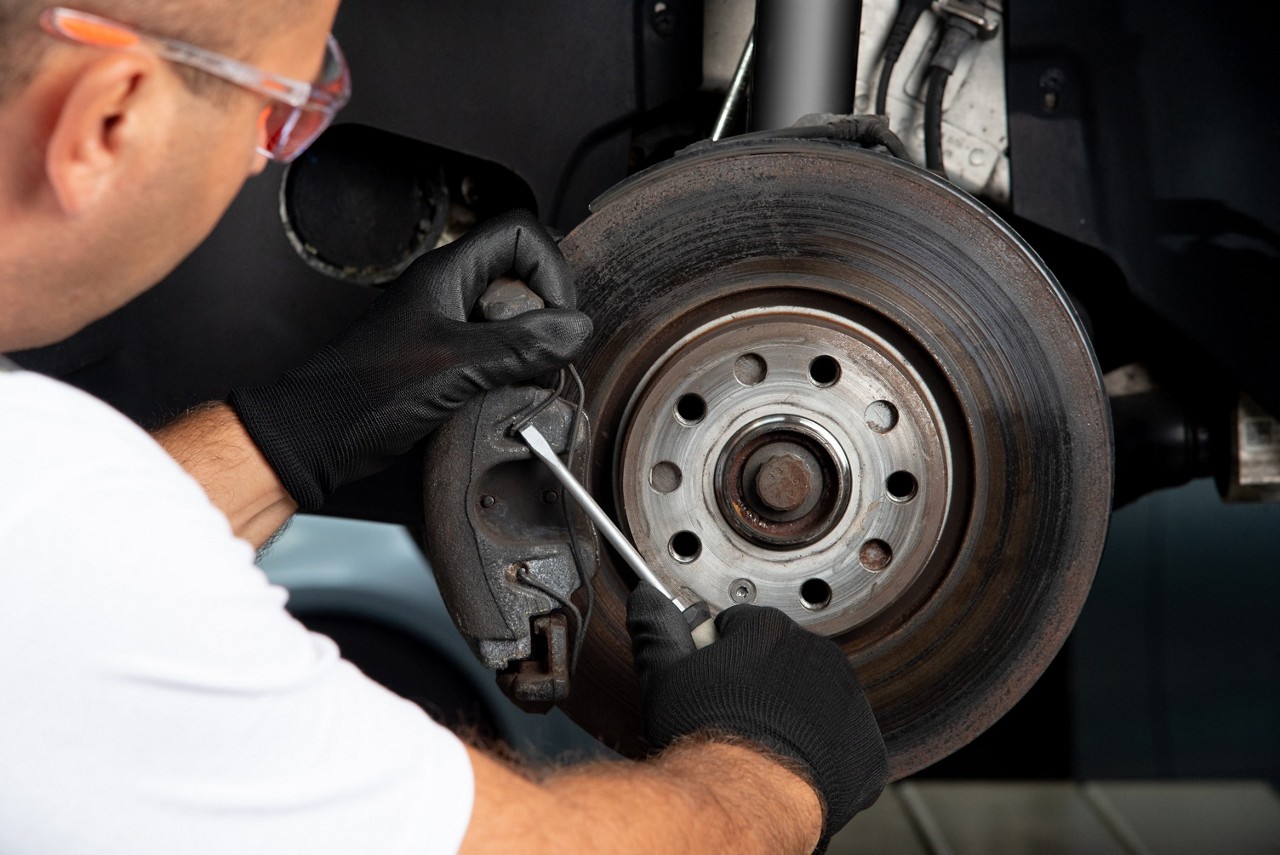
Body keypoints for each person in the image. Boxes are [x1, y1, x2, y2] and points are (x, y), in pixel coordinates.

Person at [0, 1, 888, 852]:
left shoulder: (37, 488)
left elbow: (67, 561)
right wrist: (766, 771)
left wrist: (305, 427)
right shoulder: (55, 536)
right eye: (281, 112)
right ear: (111, 118)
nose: (258, 161)